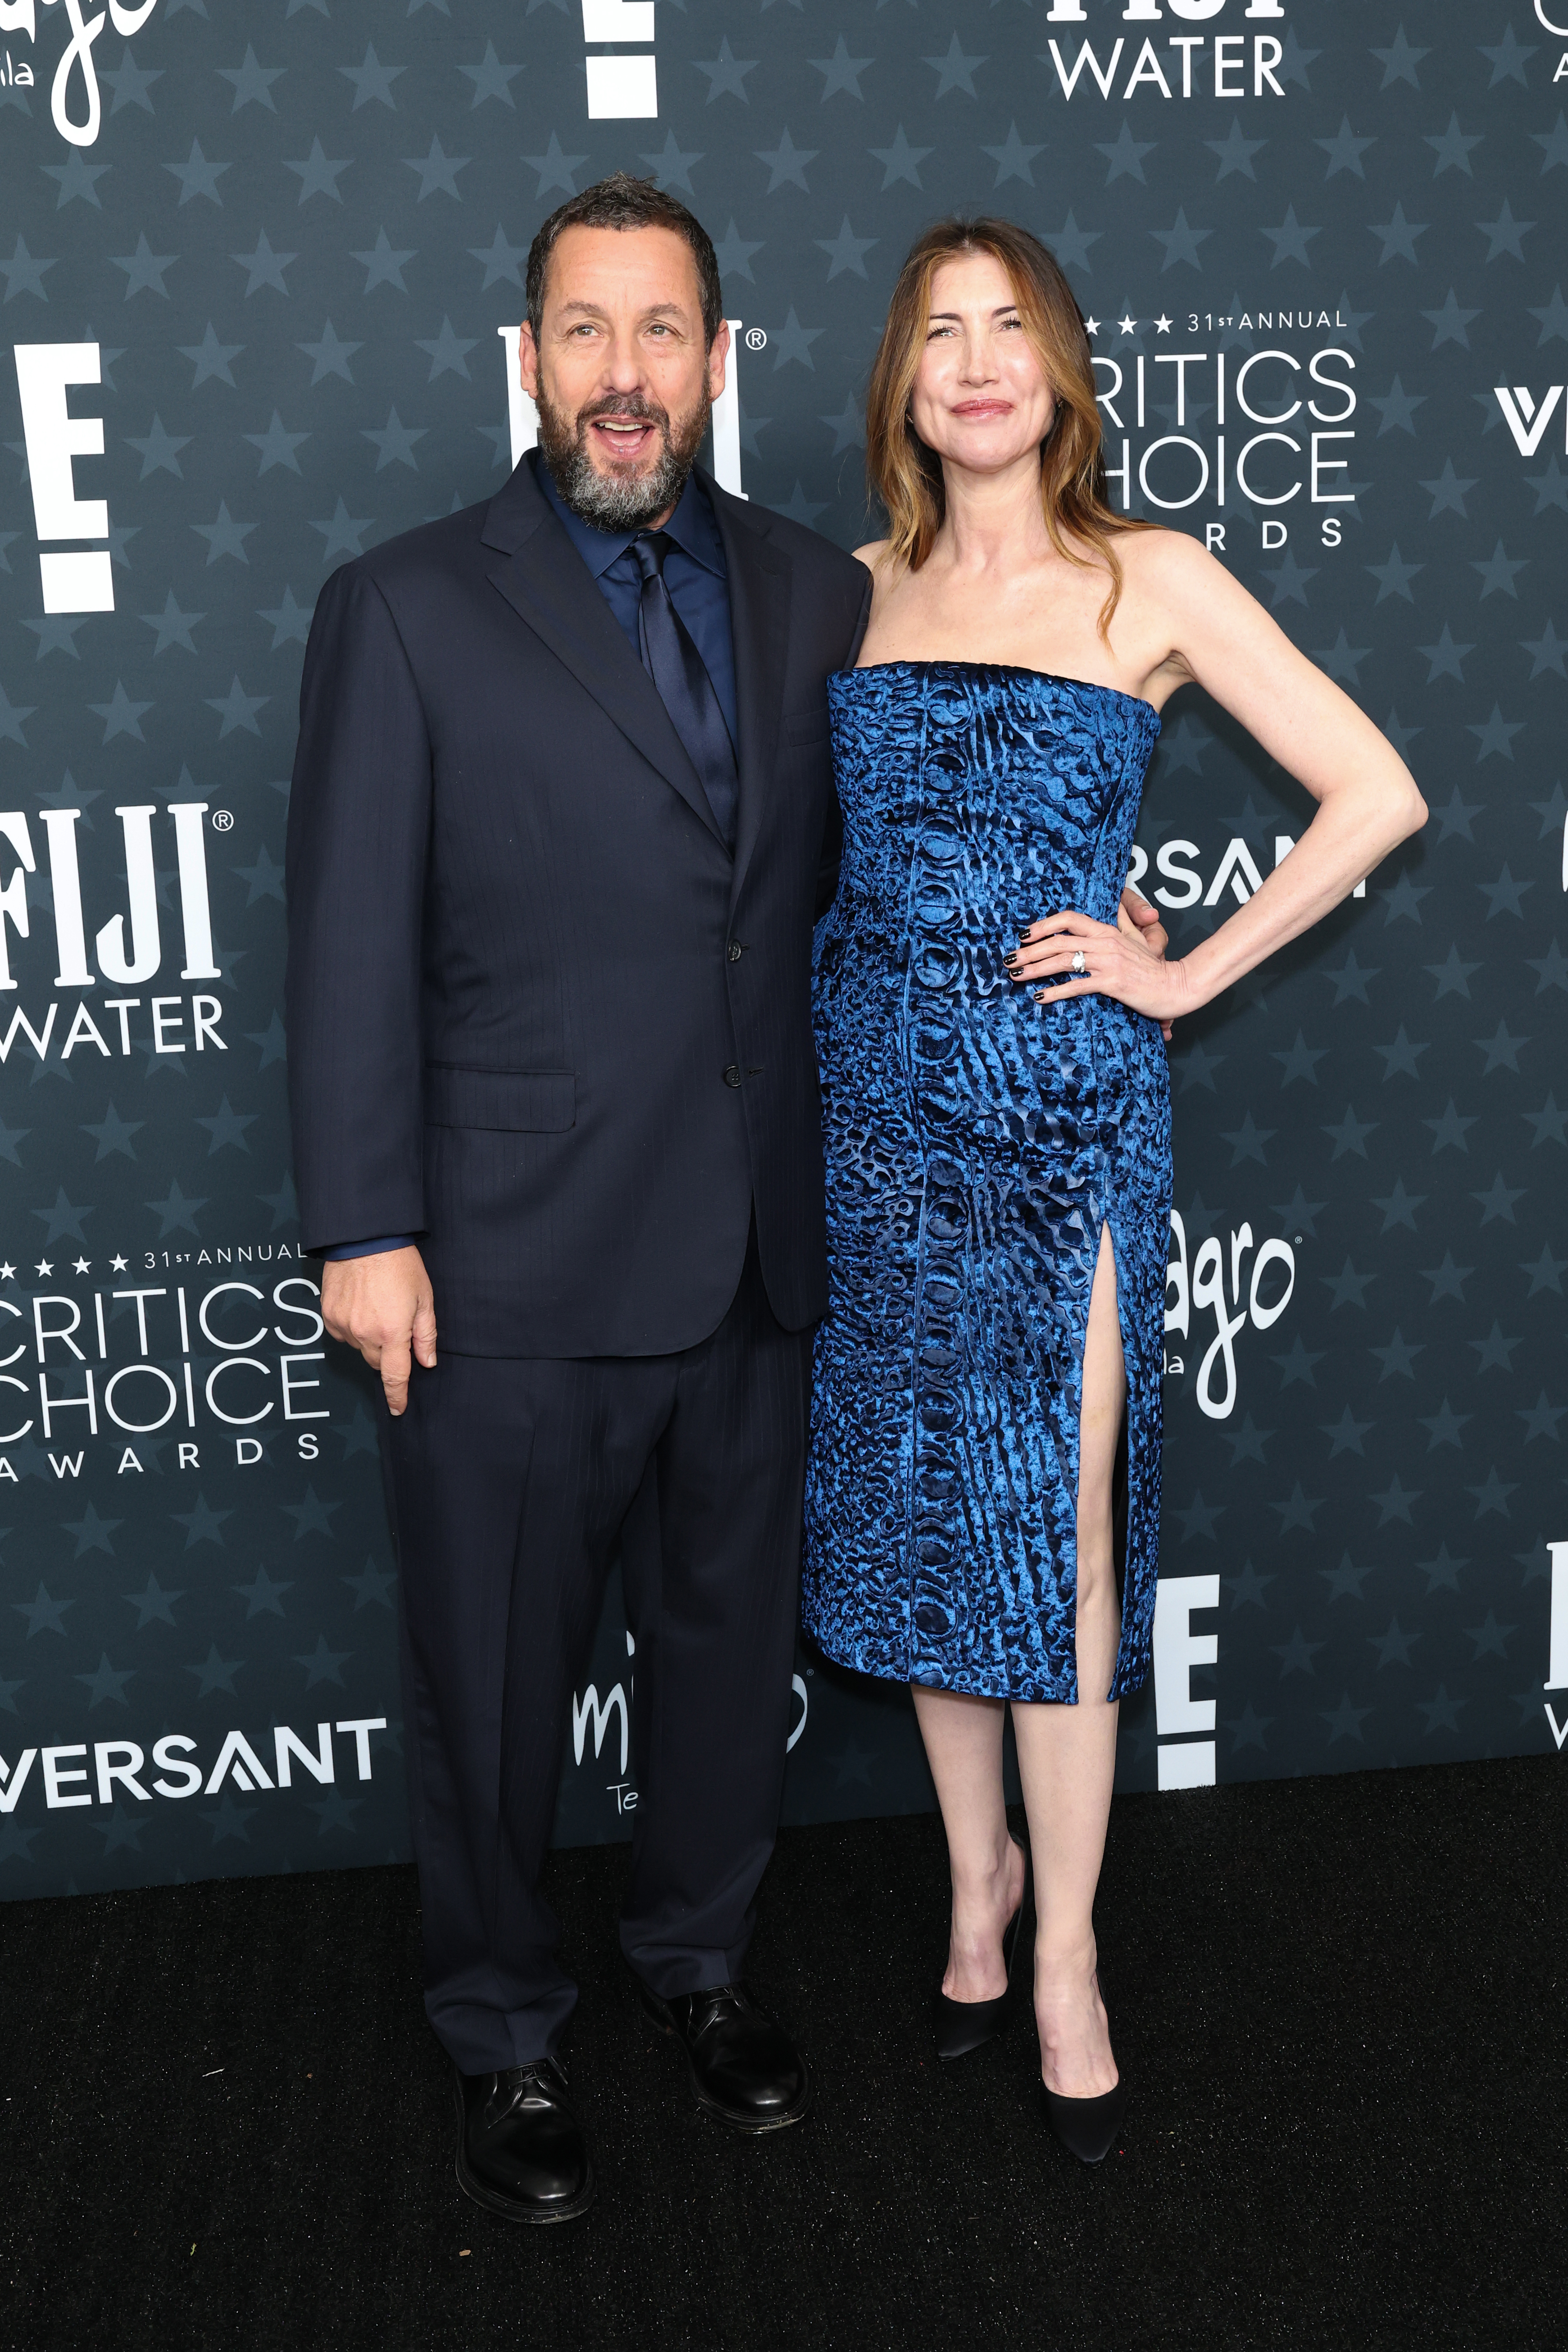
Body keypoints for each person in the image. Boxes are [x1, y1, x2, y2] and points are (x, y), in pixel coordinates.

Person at [285, 174, 880, 2225]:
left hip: (749, 1243)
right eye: (585, 331)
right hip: (502, 1265)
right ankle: (501, 2018)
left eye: (664, 333)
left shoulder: (822, 592)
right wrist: (364, 1227)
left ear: (722, 360)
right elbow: (349, 938)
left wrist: (1094, 911)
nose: (626, 378)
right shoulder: (407, 603)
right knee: (492, 1671)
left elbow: (862, 890)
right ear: (528, 359)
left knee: (725, 1661)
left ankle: (699, 1961)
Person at [800, 217, 1426, 2165]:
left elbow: (1374, 787)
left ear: (1063, 372)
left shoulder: (1143, 574)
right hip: (878, 1109)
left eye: (1011, 329)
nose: (976, 362)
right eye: (938, 333)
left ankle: (1068, 1948)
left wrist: (1177, 965)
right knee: (926, 1526)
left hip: (1064, 1117)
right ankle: (975, 1882)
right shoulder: (853, 587)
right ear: (902, 382)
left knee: (1054, 1525)